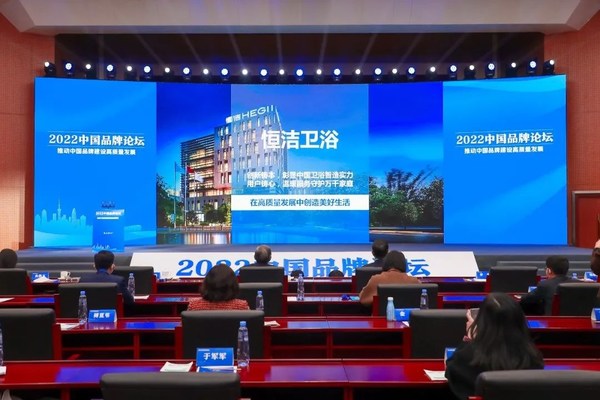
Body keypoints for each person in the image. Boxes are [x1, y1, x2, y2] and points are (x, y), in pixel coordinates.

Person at [445, 292, 544, 400]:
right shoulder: (533, 357)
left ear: (482, 322)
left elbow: (451, 370)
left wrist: (471, 340)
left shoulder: (469, 357)